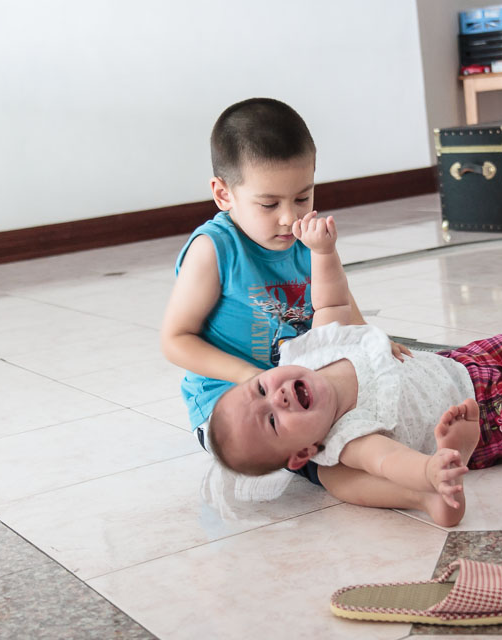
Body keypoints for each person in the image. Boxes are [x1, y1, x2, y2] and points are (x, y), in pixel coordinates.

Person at [206, 213, 502, 527]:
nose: (278, 397)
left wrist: (323, 253)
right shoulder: (348, 439)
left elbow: (332, 303)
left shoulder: (311, 356)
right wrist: (432, 470)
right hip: (479, 416)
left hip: (453, 367)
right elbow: (389, 462)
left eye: (261, 389)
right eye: (272, 420)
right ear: (303, 453)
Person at [160, 97, 411, 500]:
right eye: (269, 204)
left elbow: (339, 301)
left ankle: (413, 460)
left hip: (301, 389)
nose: (289, 217)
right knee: (327, 453)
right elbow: (175, 340)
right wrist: (249, 377)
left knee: (383, 403)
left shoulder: (304, 238)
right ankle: (411, 490)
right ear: (223, 194)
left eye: (302, 198)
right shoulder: (213, 250)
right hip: (233, 408)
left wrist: (371, 339)